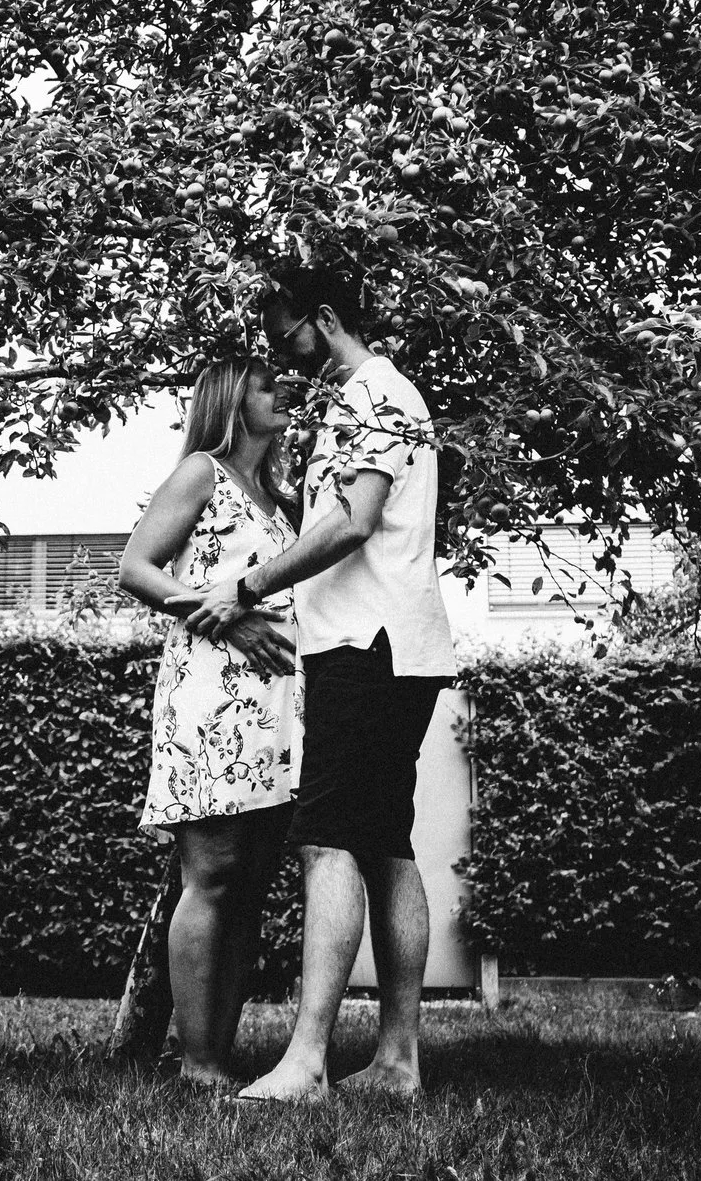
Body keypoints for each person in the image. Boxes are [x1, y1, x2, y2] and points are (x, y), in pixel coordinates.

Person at [179, 262, 454, 1103]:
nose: (284, 359)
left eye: (286, 338)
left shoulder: (375, 392)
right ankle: (398, 1059)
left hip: (365, 646)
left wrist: (249, 583)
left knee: (325, 840)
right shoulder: (375, 397)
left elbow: (354, 521)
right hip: (395, 645)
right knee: (385, 842)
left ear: (325, 318)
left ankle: (304, 1063)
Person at [117, 356, 304, 1090]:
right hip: (211, 695)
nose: (282, 389)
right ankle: (195, 1061)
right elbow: (135, 566)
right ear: (232, 399)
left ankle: (216, 1053)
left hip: (274, 709)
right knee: (212, 874)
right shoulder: (203, 471)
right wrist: (222, 622)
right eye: (267, 383)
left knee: (251, 883)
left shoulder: (280, 498)